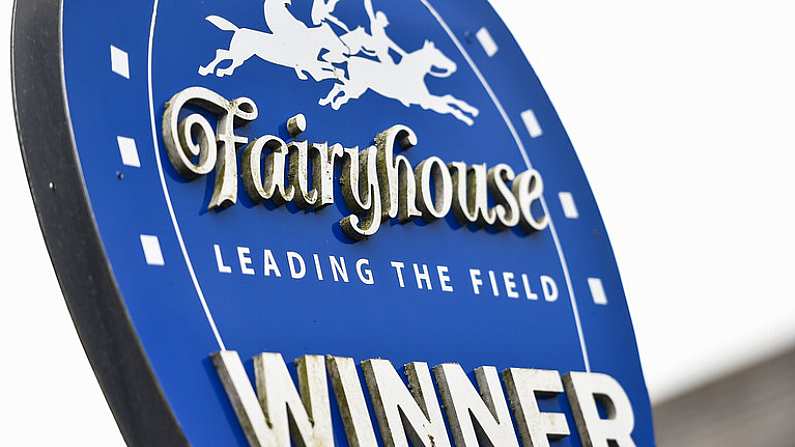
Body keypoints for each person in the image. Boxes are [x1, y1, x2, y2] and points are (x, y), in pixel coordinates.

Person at [363, 0, 406, 65]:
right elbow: (369, 10)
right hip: (383, 56)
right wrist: (403, 53)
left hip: (385, 55)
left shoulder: (381, 30)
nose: (386, 23)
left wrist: (403, 53)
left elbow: (389, 43)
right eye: (384, 21)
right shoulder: (375, 25)